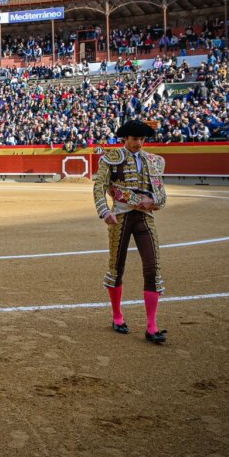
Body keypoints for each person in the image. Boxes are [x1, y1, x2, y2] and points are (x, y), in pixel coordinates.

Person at [93, 119, 168, 343]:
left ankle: (152, 327)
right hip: (121, 218)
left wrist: (152, 199)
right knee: (116, 268)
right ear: (125, 138)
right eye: (135, 139)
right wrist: (105, 211)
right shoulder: (111, 158)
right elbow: (99, 187)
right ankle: (117, 316)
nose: (139, 143)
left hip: (145, 217)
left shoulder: (152, 161)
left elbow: (162, 194)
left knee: (152, 268)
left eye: (143, 139)